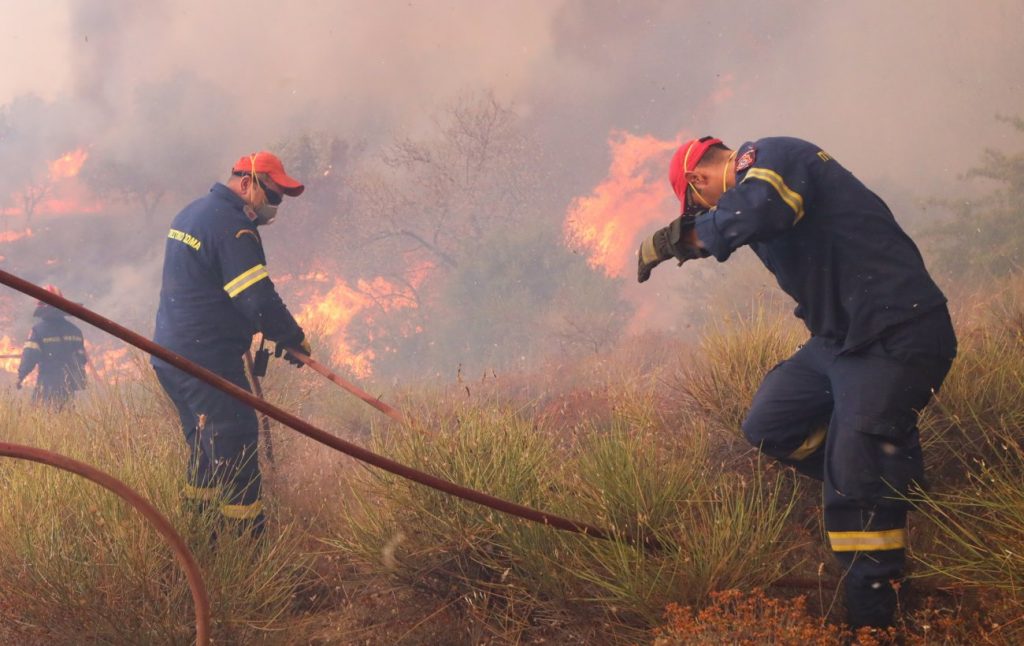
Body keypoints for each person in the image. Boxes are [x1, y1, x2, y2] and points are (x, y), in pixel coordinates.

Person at [637, 135, 957, 628]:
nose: (704, 212)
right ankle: (882, 473)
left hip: (897, 335)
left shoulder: (772, 159)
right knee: (771, 423)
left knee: (853, 491)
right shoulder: (750, 194)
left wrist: (674, 239)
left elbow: (755, 210)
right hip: (838, 342)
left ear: (699, 180)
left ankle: (875, 627)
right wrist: (691, 237)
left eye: (698, 205)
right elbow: (738, 221)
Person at [152, 151, 311, 538]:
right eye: (272, 196)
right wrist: (293, 337)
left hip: (171, 356)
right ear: (246, 183)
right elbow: (255, 296)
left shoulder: (192, 213)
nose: (275, 207)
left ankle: (200, 540)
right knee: (236, 440)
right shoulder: (233, 226)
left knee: (206, 447)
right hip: (206, 360)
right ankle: (246, 551)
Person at [16, 284, 88, 410]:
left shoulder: (38, 331)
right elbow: (82, 359)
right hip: (68, 385)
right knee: (65, 418)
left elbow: (29, 356)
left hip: (47, 383)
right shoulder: (75, 331)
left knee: (39, 418)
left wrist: (21, 376)